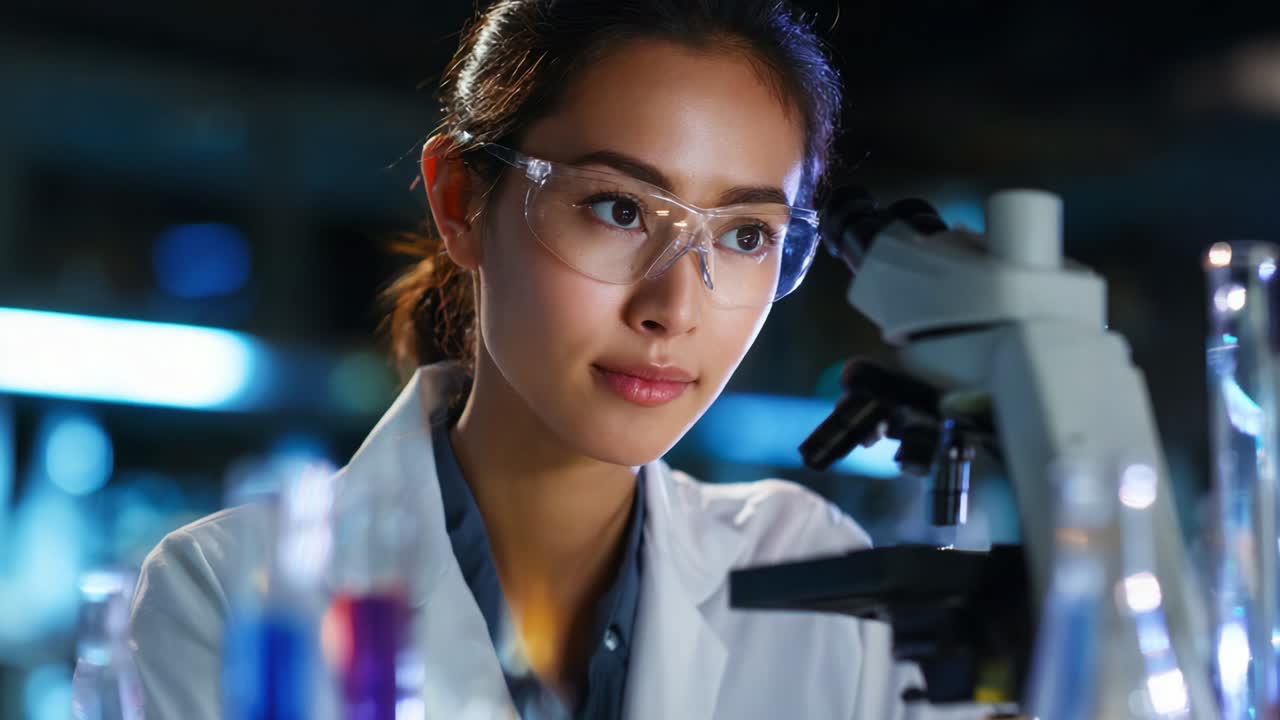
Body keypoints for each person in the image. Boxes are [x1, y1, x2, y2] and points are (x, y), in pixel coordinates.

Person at [126, 1, 1000, 718]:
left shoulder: (809, 572)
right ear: (461, 200)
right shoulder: (234, 596)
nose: (674, 309)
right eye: (620, 210)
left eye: (743, 235)